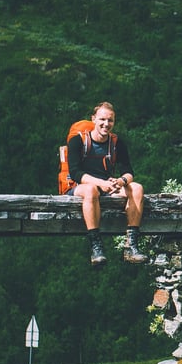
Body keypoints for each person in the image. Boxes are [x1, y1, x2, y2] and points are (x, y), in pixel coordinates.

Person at [65, 101, 146, 266]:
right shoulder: (77, 141)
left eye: (110, 121)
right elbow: (75, 173)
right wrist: (100, 183)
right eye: (102, 119)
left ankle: (131, 245)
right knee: (91, 191)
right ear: (93, 119)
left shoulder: (116, 143)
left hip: (107, 186)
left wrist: (121, 181)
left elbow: (128, 171)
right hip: (80, 187)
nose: (106, 124)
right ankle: (96, 247)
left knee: (137, 188)